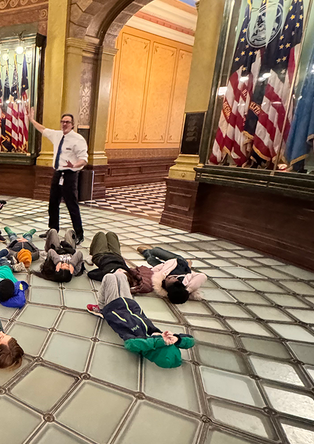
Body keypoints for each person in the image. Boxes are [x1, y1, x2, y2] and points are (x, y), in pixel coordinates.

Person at [88, 271, 195, 368]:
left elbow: (130, 344)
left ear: (156, 349)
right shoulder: (155, 333)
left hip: (114, 307)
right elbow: (191, 341)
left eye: (166, 343)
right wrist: (177, 339)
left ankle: (101, 308)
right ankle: (103, 306)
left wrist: (158, 341)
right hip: (130, 304)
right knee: (121, 275)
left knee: (109, 277)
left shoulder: (141, 343)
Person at [28, 109, 87, 245]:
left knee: (71, 205)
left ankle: (79, 233)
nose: (64, 124)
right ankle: (53, 230)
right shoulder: (57, 135)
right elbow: (43, 129)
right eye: (63, 122)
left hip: (70, 174)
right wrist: (31, 120)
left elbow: (84, 159)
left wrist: (74, 164)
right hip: (57, 173)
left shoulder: (78, 140)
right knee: (53, 203)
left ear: (72, 124)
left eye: (67, 122)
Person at [136, 246, 207, 304]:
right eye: (174, 279)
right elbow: (202, 276)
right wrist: (188, 290)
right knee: (156, 251)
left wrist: (156, 269)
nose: (171, 277)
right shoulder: (185, 282)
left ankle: (146, 252)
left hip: (164, 266)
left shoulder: (159, 280)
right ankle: (151, 250)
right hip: (177, 261)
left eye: (168, 279)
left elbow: (155, 270)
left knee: (150, 260)